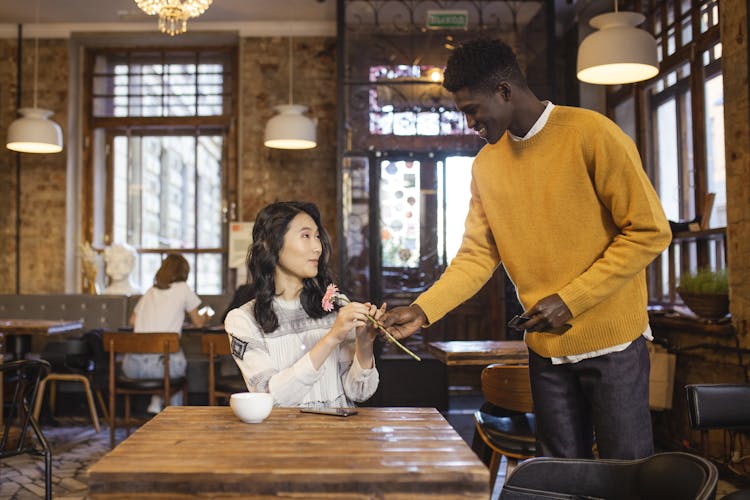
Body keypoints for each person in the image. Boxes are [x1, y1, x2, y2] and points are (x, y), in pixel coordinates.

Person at [383, 38, 672, 460]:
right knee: (557, 478)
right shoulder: (485, 165)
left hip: (614, 345)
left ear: (504, 91)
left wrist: (570, 300)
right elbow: (477, 256)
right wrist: (424, 308)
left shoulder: (592, 134)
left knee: (626, 476)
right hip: (545, 350)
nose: (470, 124)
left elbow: (649, 231)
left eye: (471, 110)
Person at [224, 201, 382, 408]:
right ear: (270, 244)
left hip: (340, 436)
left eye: (317, 237)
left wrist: (364, 343)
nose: (317, 247)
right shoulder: (243, 320)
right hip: (286, 438)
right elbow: (270, 397)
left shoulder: (335, 308)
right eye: (305, 236)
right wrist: (332, 337)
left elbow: (359, 393)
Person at [125, 253, 210, 414]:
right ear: (184, 272)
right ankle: (174, 417)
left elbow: (132, 321)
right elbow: (198, 322)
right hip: (163, 367)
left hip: (133, 365)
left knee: (168, 358)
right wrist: (206, 317)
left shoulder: (150, 291)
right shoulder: (183, 289)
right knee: (174, 363)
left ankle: (157, 400)